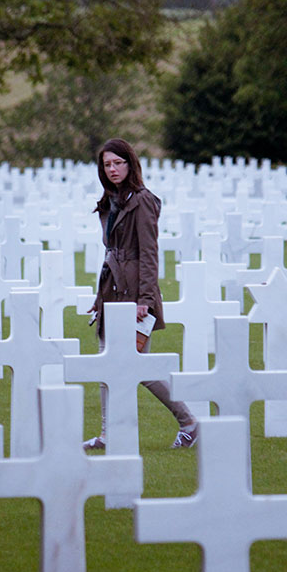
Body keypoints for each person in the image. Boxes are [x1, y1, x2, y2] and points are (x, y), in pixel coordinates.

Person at [83, 138, 198, 450]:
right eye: (107, 165)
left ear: (130, 164)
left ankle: (189, 422)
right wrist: (99, 299)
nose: (112, 169)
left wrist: (145, 300)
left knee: (140, 367)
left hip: (135, 296)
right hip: (112, 292)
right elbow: (112, 254)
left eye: (118, 163)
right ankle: (108, 434)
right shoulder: (110, 200)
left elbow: (148, 253)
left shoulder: (143, 201)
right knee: (108, 363)